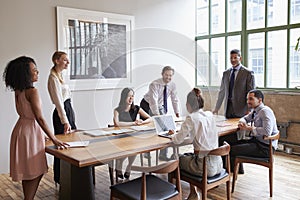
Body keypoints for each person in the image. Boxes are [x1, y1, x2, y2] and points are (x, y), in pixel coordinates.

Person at [3, 56, 69, 200]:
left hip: (21, 130)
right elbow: (39, 118)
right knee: (35, 170)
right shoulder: (32, 91)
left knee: (28, 170)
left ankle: (28, 198)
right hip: (29, 132)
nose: (37, 72)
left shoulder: (18, 90)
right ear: (25, 74)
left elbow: (28, 115)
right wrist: (54, 138)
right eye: (34, 70)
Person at [169, 88, 223, 200]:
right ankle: (193, 193)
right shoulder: (209, 114)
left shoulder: (191, 118)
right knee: (188, 156)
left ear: (188, 104)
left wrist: (173, 134)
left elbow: (177, 140)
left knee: (174, 158)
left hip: (204, 167)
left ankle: (177, 195)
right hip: (218, 165)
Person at [213, 49, 255, 173]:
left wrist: (250, 110)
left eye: (235, 58)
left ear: (240, 58)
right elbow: (222, 92)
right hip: (228, 109)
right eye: (231, 58)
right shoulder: (226, 73)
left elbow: (251, 93)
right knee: (226, 135)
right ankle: (227, 165)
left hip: (242, 110)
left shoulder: (247, 73)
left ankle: (238, 167)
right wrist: (216, 108)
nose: (233, 60)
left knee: (238, 137)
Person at [230, 89, 279, 172]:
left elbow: (267, 132)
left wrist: (248, 128)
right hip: (257, 142)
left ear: (259, 100)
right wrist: (242, 122)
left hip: (265, 148)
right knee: (229, 142)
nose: (248, 101)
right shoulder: (255, 110)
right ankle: (235, 171)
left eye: (251, 99)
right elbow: (245, 118)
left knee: (229, 149)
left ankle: (226, 175)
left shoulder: (265, 111)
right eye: (247, 99)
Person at [47, 51, 77, 185]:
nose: (68, 62)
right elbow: (59, 102)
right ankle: (60, 177)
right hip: (62, 113)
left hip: (68, 110)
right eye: (65, 60)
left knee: (71, 144)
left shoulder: (60, 76)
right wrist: (65, 121)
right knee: (62, 146)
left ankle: (70, 176)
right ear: (56, 60)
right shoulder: (53, 78)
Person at [140, 66, 180, 161]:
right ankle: (146, 151)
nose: (168, 77)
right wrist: (157, 116)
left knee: (165, 128)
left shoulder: (172, 85)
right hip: (147, 104)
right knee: (148, 128)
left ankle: (162, 155)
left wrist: (177, 112)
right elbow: (153, 101)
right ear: (162, 74)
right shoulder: (154, 84)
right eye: (166, 75)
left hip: (159, 105)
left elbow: (174, 99)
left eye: (170, 75)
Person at [113, 88, 151, 180]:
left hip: (133, 136)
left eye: (132, 96)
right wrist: (133, 123)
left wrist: (142, 122)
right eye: (129, 96)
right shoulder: (117, 110)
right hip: (120, 137)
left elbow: (150, 118)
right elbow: (117, 123)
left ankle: (129, 166)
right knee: (127, 149)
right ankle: (119, 165)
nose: (131, 99)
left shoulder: (136, 108)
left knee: (134, 147)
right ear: (123, 97)